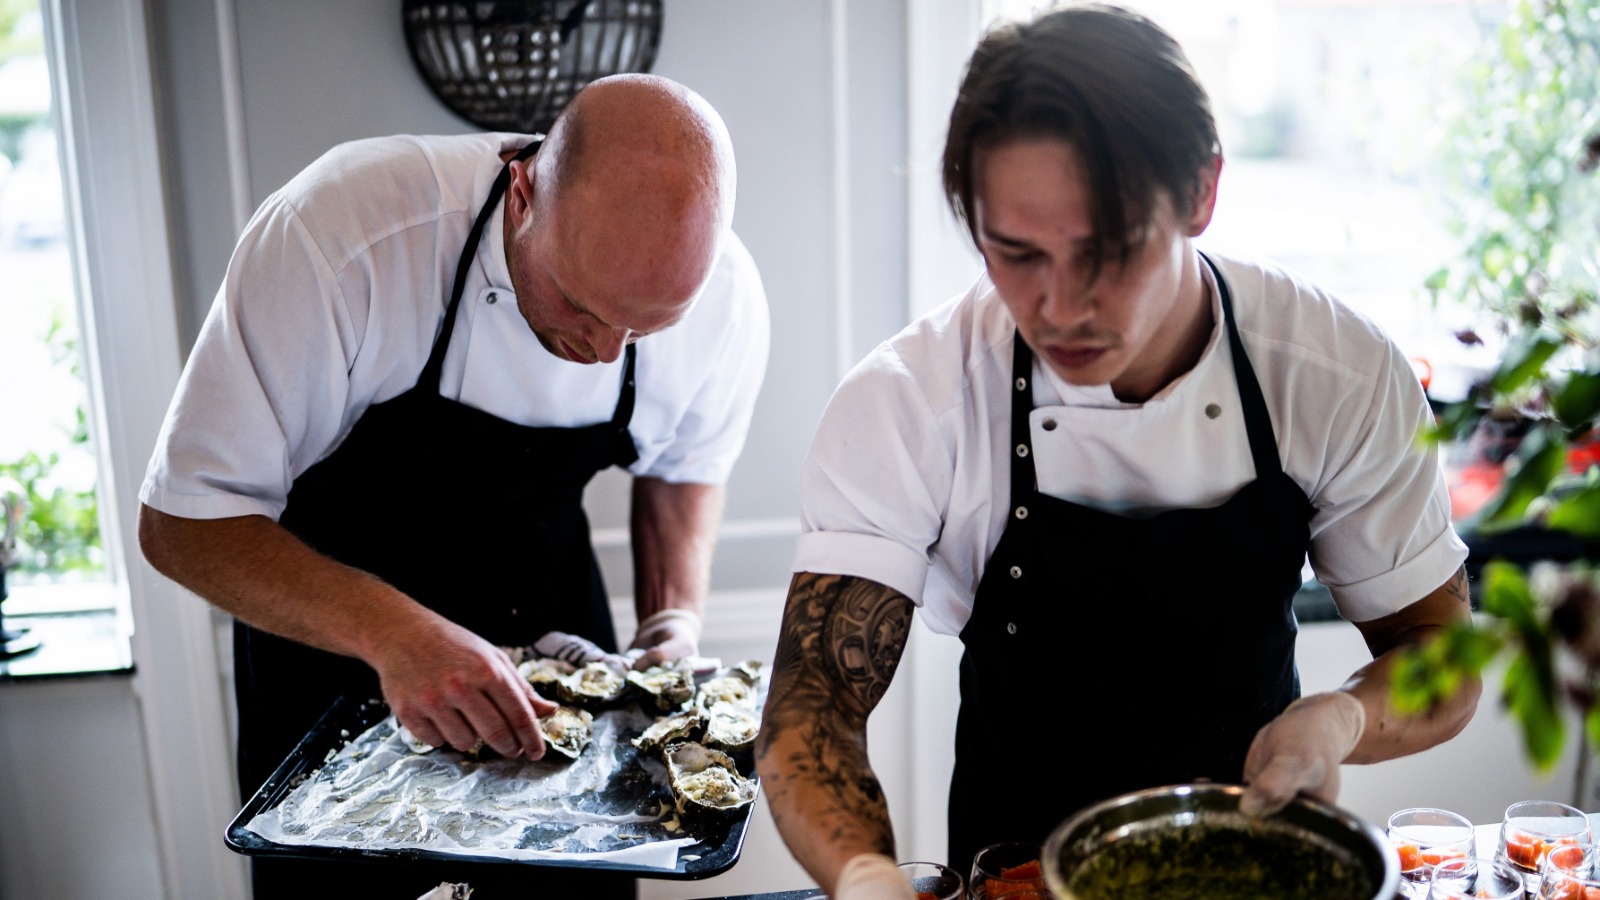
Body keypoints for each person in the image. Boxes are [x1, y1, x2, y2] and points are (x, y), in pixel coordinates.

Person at [754, 4, 1480, 898]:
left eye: (1107, 251)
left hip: (1250, 864)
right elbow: (812, 704)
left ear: (1202, 193)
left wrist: (1338, 719)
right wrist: (866, 877)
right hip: (1016, 872)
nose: (1060, 306)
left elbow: (1439, 656)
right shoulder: (912, 399)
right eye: (1015, 253)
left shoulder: (1334, 372)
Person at [137, 73, 769, 898]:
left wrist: (674, 617)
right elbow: (184, 521)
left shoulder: (725, 297)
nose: (608, 353)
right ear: (522, 191)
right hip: (336, 660)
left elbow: (683, 469)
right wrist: (395, 635)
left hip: (550, 633)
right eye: (581, 306)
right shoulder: (339, 237)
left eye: (646, 326)